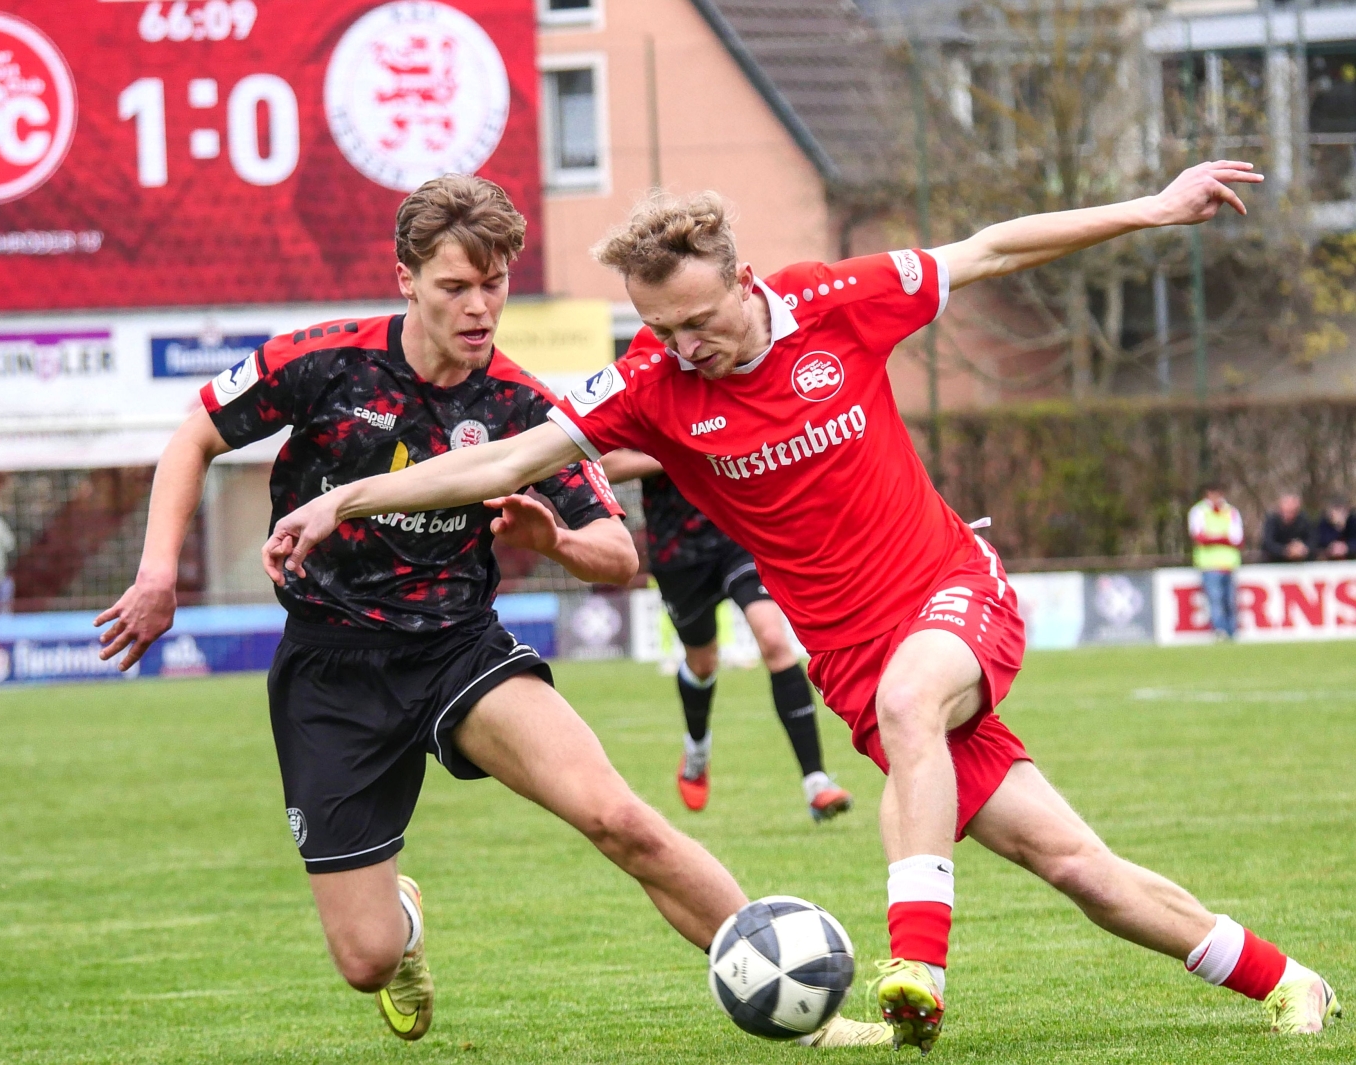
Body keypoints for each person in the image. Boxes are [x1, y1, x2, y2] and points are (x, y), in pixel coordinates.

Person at [264, 162, 1340, 1050]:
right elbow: (503, 458)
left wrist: (1150, 209)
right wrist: (347, 497)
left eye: (697, 320)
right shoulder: (651, 381)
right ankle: (1287, 981)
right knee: (1074, 866)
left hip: (952, 593)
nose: (687, 347)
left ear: (743, 280)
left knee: (921, 695)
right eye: (660, 328)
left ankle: (913, 963)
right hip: (855, 669)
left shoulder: (842, 302)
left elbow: (993, 247)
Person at [93, 175, 888, 1049]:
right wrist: (158, 573)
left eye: (495, 284)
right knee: (364, 958)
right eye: (455, 287)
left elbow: (620, 557)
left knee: (621, 818)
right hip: (331, 669)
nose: (480, 308)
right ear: (407, 279)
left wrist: (553, 542)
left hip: (460, 654)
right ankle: (402, 921)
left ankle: (802, 1003)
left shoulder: (521, 406)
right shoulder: (323, 361)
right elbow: (196, 433)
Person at [603, 436, 853, 821]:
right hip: (677, 554)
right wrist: (674, 452)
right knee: (702, 664)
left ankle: (816, 781)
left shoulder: (727, 381)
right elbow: (606, 464)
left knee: (773, 640)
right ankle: (697, 749)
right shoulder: (644, 389)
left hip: (737, 536)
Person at [1187, 482, 1243, 639]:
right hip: (1209, 564)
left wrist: (1214, 538)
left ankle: (1232, 632)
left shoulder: (1231, 511)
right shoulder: (1199, 511)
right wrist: (1223, 538)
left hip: (1229, 563)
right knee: (1215, 600)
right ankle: (1220, 631)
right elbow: (1199, 537)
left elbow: (1237, 539)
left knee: (1230, 601)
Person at [1262, 493, 1313, 562]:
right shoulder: (1272, 521)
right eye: (1285, 512)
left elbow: (1313, 539)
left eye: (1292, 512)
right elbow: (1268, 543)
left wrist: (1304, 548)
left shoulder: (1304, 520)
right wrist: (1286, 550)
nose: (1288, 515)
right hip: (1275, 562)